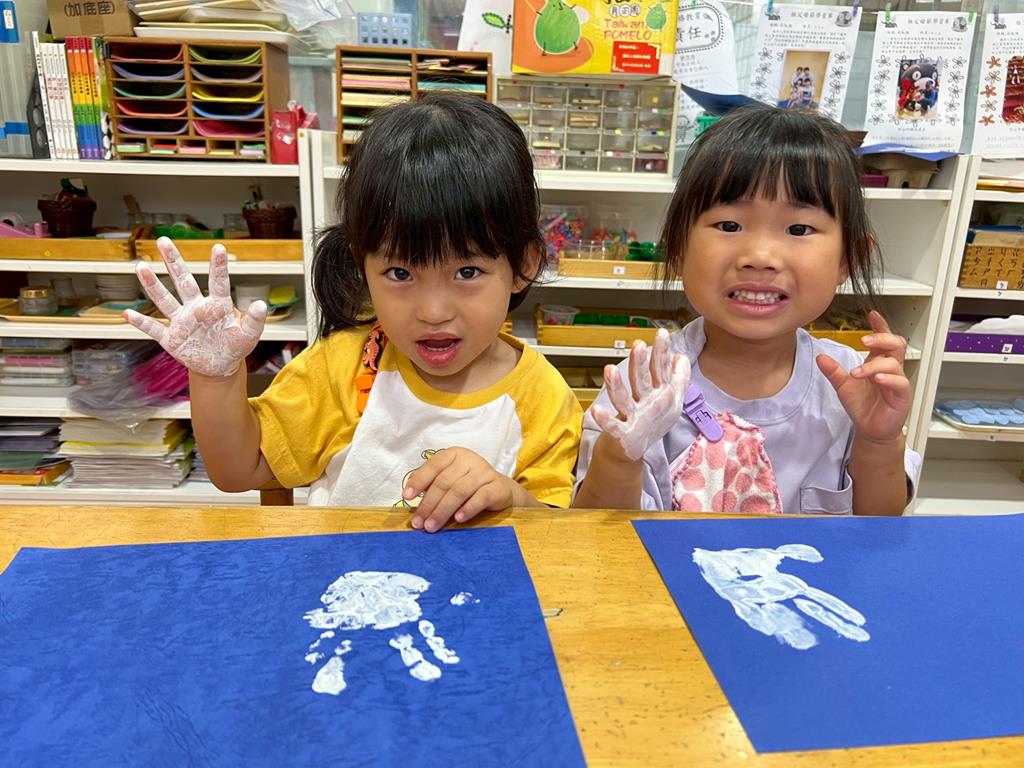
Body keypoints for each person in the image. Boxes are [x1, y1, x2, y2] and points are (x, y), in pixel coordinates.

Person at [125, 93, 582, 532]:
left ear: (523, 266)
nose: (433, 312)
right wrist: (215, 379)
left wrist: (510, 497)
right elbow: (237, 470)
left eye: (467, 271)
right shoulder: (341, 368)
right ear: (361, 266)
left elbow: (554, 530)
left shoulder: (542, 396)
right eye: (400, 273)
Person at [574, 105, 921, 515]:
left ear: (849, 259)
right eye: (729, 225)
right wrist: (619, 456)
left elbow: (879, 527)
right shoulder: (641, 386)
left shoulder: (851, 383)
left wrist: (879, 441)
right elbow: (596, 534)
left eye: (798, 229)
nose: (760, 257)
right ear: (678, 247)